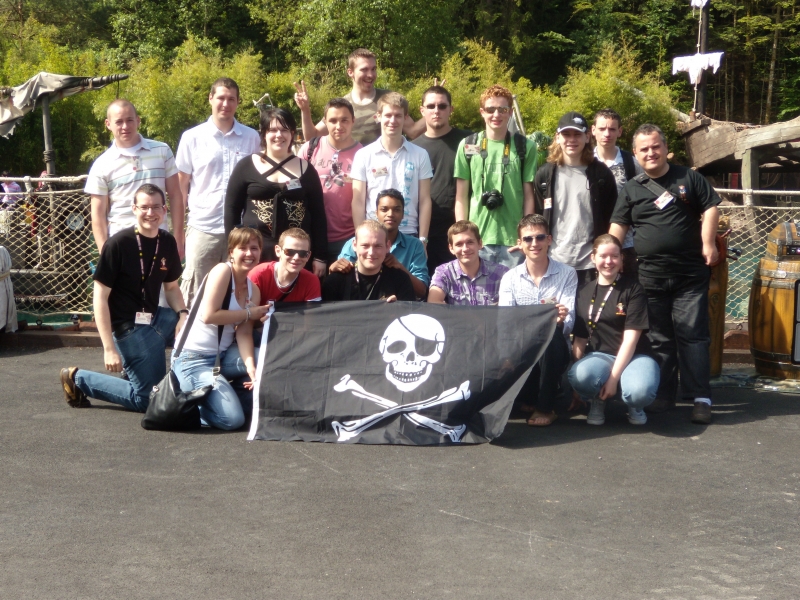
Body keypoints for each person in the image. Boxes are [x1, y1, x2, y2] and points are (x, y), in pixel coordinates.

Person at [609, 124, 720, 425]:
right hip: (650, 276)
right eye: (644, 149)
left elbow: (711, 208)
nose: (651, 152)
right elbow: (618, 226)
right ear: (635, 153)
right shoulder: (632, 188)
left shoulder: (689, 178)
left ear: (666, 148)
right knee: (659, 338)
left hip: (689, 274)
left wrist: (708, 243)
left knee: (693, 336)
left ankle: (701, 398)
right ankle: (663, 394)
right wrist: (611, 257)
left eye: (655, 146)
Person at [59, 184, 187, 412]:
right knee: (149, 400)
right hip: (129, 327)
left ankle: (137, 371)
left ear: (164, 210)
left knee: (196, 329)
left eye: (156, 207)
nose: (150, 213)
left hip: (156, 318)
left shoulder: (167, 241)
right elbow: (100, 298)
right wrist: (109, 349)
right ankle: (78, 379)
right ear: (134, 209)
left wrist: (183, 315)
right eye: (144, 207)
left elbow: (171, 288)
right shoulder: (118, 244)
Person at [171, 227, 271, 430]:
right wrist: (249, 313)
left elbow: (244, 332)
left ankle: (230, 393)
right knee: (233, 420)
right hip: (193, 359)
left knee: (268, 360)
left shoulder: (253, 289)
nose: (249, 253)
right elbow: (209, 316)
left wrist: (251, 368)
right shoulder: (222, 271)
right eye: (243, 248)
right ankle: (184, 407)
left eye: (254, 248)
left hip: (221, 356)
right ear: (231, 252)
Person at [175, 77, 262, 306]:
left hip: (240, 229)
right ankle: (190, 330)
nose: (225, 103)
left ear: (238, 102)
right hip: (203, 227)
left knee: (237, 291)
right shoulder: (192, 137)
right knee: (196, 292)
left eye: (231, 99)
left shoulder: (251, 137)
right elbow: (181, 188)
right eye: (221, 98)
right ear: (210, 98)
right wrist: (179, 233)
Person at [224, 107, 327, 276]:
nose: (279, 135)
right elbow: (231, 211)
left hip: (296, 255)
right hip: (255, 252)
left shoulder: (307, 170)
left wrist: (320, 257)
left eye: (284, 130)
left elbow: (318, 217)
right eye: (272, 130)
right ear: (264, 134)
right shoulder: (246, 166)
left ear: (292, 133)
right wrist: (232, 251)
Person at [569, 234, 659, 426]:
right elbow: (580, 338)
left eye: (614, 256)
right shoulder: (583, 292)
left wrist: (612, 379)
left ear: (621, 258)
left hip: (635, 356)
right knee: (580, 375)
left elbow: (630, 340)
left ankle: (634, 404)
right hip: (600, 356)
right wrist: (578, 387)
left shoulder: (633, 289)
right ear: (593, 258)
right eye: (603, 256)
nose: (608, 261)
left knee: (639, 392)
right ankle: (598, 399)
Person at [498, 214, 576, 426]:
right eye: (528, 239)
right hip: (521, 350)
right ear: (520, 243)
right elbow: (505, 322)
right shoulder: (509, 278)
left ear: (549, 239)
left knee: (550, 334)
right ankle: (529, 398)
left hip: (553, 349)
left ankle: (545, 408)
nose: (534, 243)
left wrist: (561, 318)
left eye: (540, 237)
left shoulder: (568, 273)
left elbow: (570, 322)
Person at [85, 99, 184, 256]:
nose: (125, 126)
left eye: (129, 120)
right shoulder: (101, 165)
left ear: (138, 120)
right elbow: (97, 215)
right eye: (119, 122)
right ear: (108, 124)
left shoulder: (162, 151)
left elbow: (175, 195)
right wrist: (105, 254)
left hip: (160, 242)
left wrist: (178, 238)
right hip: (121, 247)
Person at [454, 85, 537, 269]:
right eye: (491, 109)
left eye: (503, 109)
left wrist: (527, 236)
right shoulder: (468, 145)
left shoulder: (526, 147)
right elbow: (461, 196)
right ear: (482, 112)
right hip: (477, 240)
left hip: (513, 241)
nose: (496, 115)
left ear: (510, 112)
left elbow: (528, 195)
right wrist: (463, 236)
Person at [533, 111, 617, 286]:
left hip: (591, 264)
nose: (572, 139)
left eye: (577, 134)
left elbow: (612, 218)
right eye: (566, 134)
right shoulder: (545, 174)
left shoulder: (601, 174)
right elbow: (538, 216)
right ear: (557, 137)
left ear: (587, 137)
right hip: (554, 261)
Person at [293, 48, 425, 145]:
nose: (370, 75)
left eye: (373, 69)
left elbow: (413, 131)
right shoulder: (342, 105)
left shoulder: (388, 100)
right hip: (352, 170)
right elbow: (312, 137)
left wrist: (432, 110)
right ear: (350, 72)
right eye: (364, 70)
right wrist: (305, 110)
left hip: (384, 170)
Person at [350, 92, 433, 244]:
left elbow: (425, 200)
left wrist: (423, 239)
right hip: (373, 234)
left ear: (405, 118)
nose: (393, 121)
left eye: (398, 116)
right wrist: (360, 237)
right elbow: (358, 201)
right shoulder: (363, 155)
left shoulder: (420, 155)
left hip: (409, 234)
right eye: (388, 115)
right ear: (378, 116)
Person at [411, 86, 472, 275]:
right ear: (422, 110)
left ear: (451, 109)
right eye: (431, 106)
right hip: (424, 232)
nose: (436, 110)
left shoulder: (469, 141)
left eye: (442, 106)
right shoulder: (412, 148)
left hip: (461, 229)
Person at [298, 98, 363, 263]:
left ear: (353, 121)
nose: (339, 126)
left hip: (348, 238)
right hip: (311, 236)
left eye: (344, 120)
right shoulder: (310, 149)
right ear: (325, 122)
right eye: (333, 121)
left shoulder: (363, 154)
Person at [331, 189, 429, 299]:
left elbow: (422, 291)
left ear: (403, 214)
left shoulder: (415, 245)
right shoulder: (355, 242)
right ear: (376, 213)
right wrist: (334, 269)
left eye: (397, 210)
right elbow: (340, 275)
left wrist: (400, 267)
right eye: (384, 209)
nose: (390, 214)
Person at [592, 108, 643, 275]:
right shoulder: (585, 162)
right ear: (593, 130)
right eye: (602, 129)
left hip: (627, 244)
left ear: (619, 131)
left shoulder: (632, 163)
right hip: (590, 242)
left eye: (612, 129)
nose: (607, 134)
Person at [322, 220, 415, 302]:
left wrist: (397, 309)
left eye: (378, 246)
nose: (371, 253)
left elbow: (409, 315)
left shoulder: (401, 280)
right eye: (365, 246)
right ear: (354, 245)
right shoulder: (335, 281)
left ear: (388, 246)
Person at [428, 220, 508, 305]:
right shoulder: (444, 272)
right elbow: (433, 302)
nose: (465, 249)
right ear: (451, 248)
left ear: (480, 244)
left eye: (470, 242)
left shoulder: (502, 273)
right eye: (459, 244)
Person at [248, 228, 322, 303]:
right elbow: (249, 309)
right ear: (278, 251)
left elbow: (312, 311)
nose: (296, 257)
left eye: (302, 253)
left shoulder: (311, 281)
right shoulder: (258, 275)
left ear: (308, 256)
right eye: (290, 252)